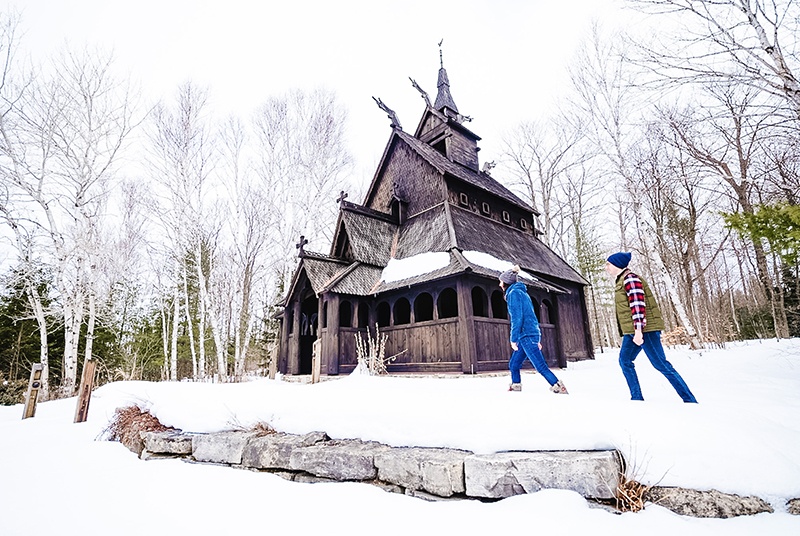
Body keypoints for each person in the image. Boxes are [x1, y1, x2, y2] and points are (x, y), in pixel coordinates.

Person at [604, 252, 698, 403]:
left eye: (608, 264)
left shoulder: (631, 279)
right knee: (625, 361)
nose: (606, 267)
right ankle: (636, 398)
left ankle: (690, 400)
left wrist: (639, 331)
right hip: (633, 331)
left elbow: (638, 306)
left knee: (660, 364)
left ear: (617, 265)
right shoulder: (622, 280)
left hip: (644, 330)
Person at [499, 265, 568, 394]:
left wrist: (513, 339)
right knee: (514, 364)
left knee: (540, 366)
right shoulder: (523, 293)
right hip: (528, 335)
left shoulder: (514, 294)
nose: (499, 284)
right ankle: (516, 386)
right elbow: (532, 317)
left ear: (506, 283)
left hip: (526, 336)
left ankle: (558, 386)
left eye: (501, 281)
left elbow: (517, 318)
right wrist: (537, 337)